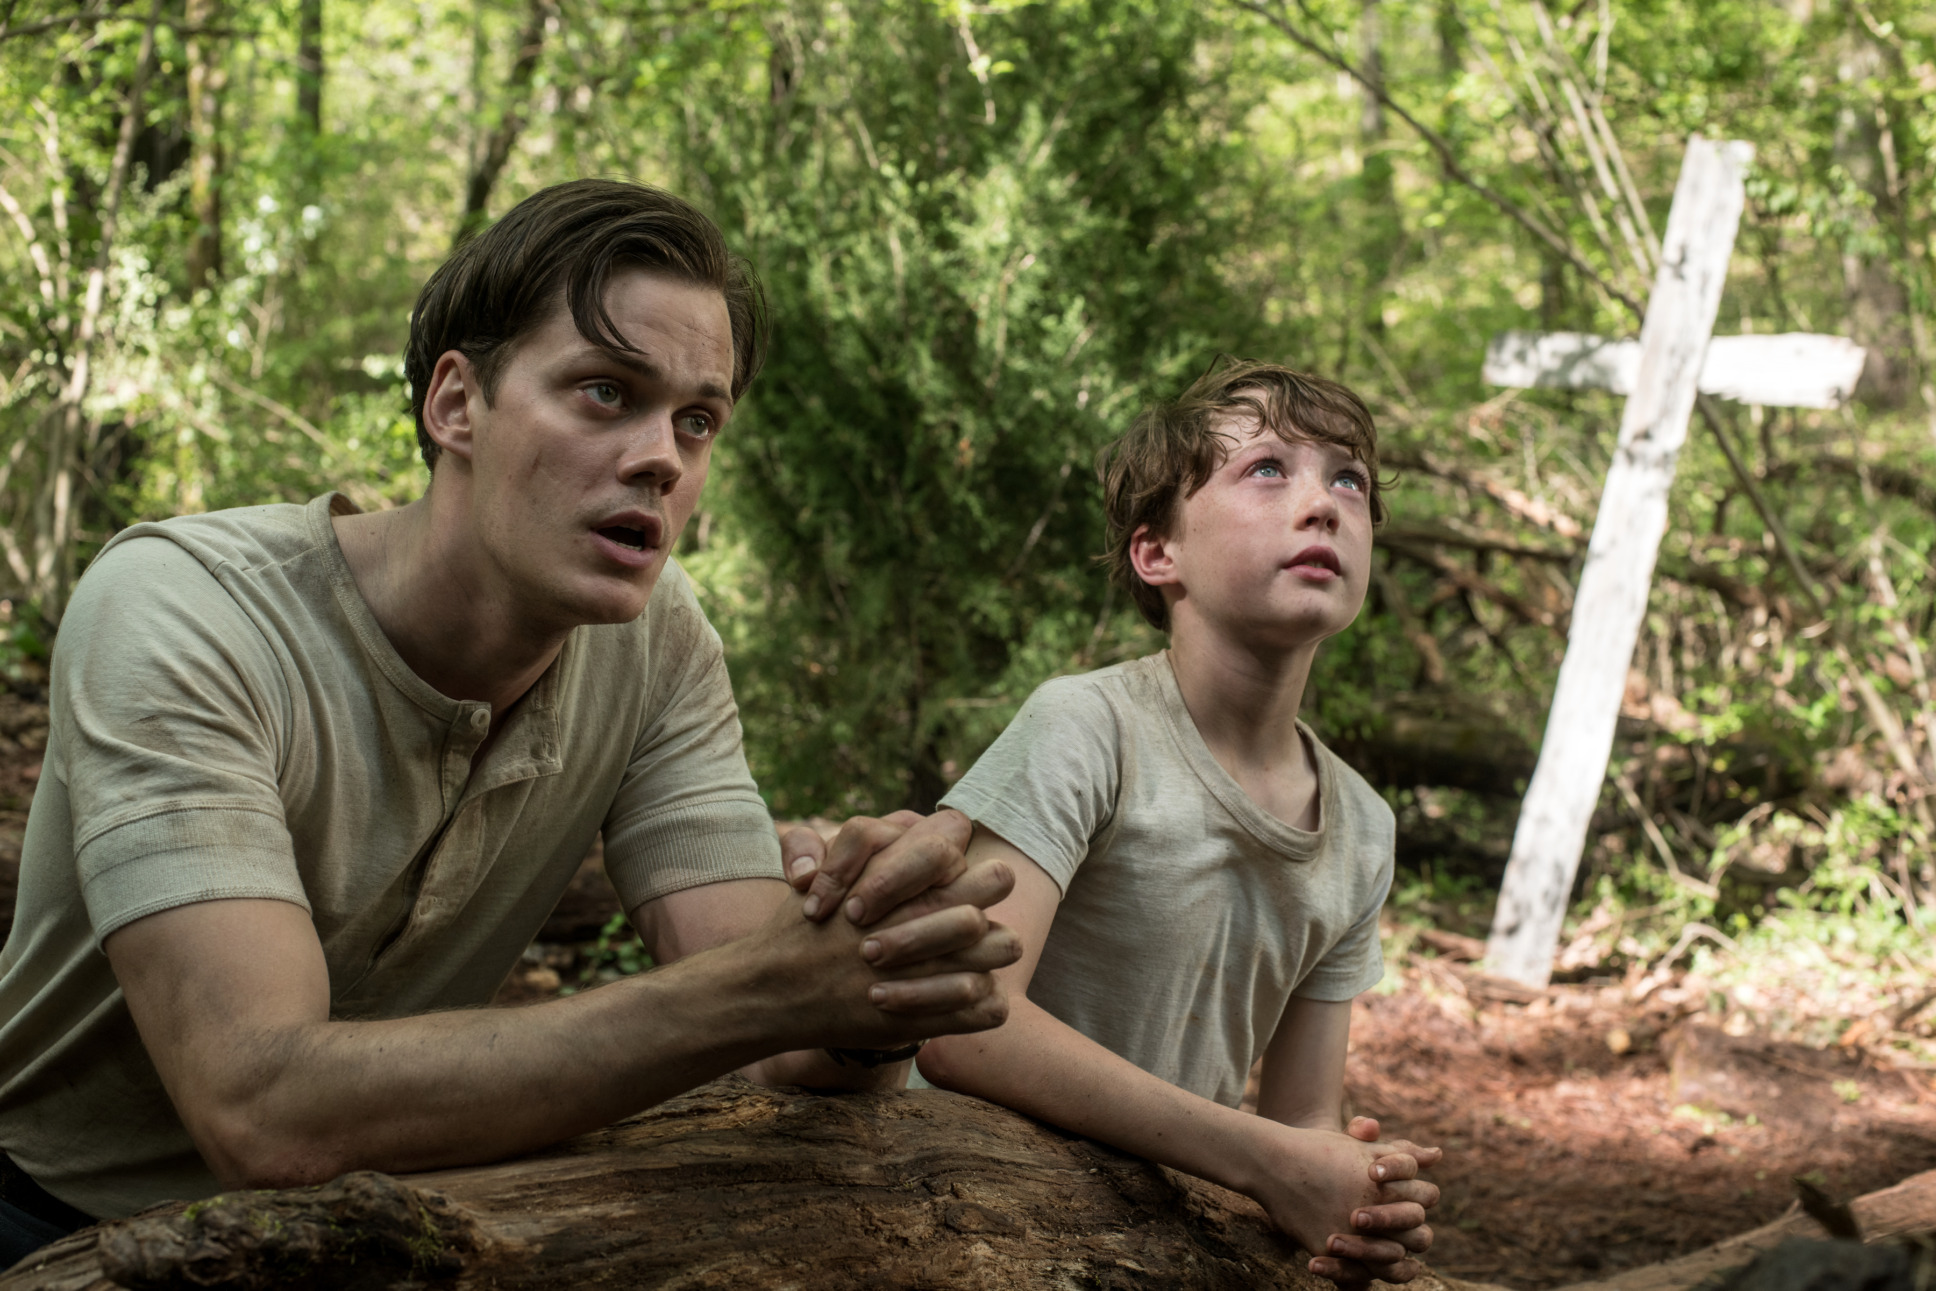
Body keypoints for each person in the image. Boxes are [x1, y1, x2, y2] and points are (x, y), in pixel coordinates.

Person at [0, 180, 1020, 1263]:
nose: (662, 457)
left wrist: (876, 956)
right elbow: (261, 1105)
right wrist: (768, 985)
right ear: (455, 405)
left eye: (696, 419)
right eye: (602, 391)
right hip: (45, 1217)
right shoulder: (186, 610)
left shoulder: (658, 640)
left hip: (389, 1226)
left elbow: (777, 1027)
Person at [913, 359, 1443, 1285]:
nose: (1322, 503)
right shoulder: (1088, 728)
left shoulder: (1361, 823)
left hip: (1148, 1242)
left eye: (1347, 479)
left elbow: (1301, 1114)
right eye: (1268, 469)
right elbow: (963, 1028)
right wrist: (1264, 1160)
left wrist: (1349, 1190)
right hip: (949, 1213)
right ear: (1159, 553)